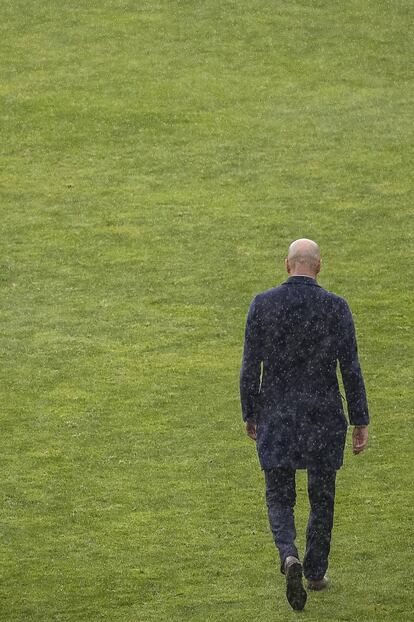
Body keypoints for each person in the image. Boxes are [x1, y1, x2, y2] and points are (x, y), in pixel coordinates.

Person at [240, 238, 369, 611]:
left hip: (277, 414)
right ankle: (314, 571)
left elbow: (251, 366)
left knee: (279, 495)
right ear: (319, 266)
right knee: (322, 496)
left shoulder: (263, 305)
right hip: (323, 416)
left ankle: (288, 555)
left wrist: (250, 412)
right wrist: (359, 419)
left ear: (287, 265)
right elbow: (351, 368)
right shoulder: (336, 307)